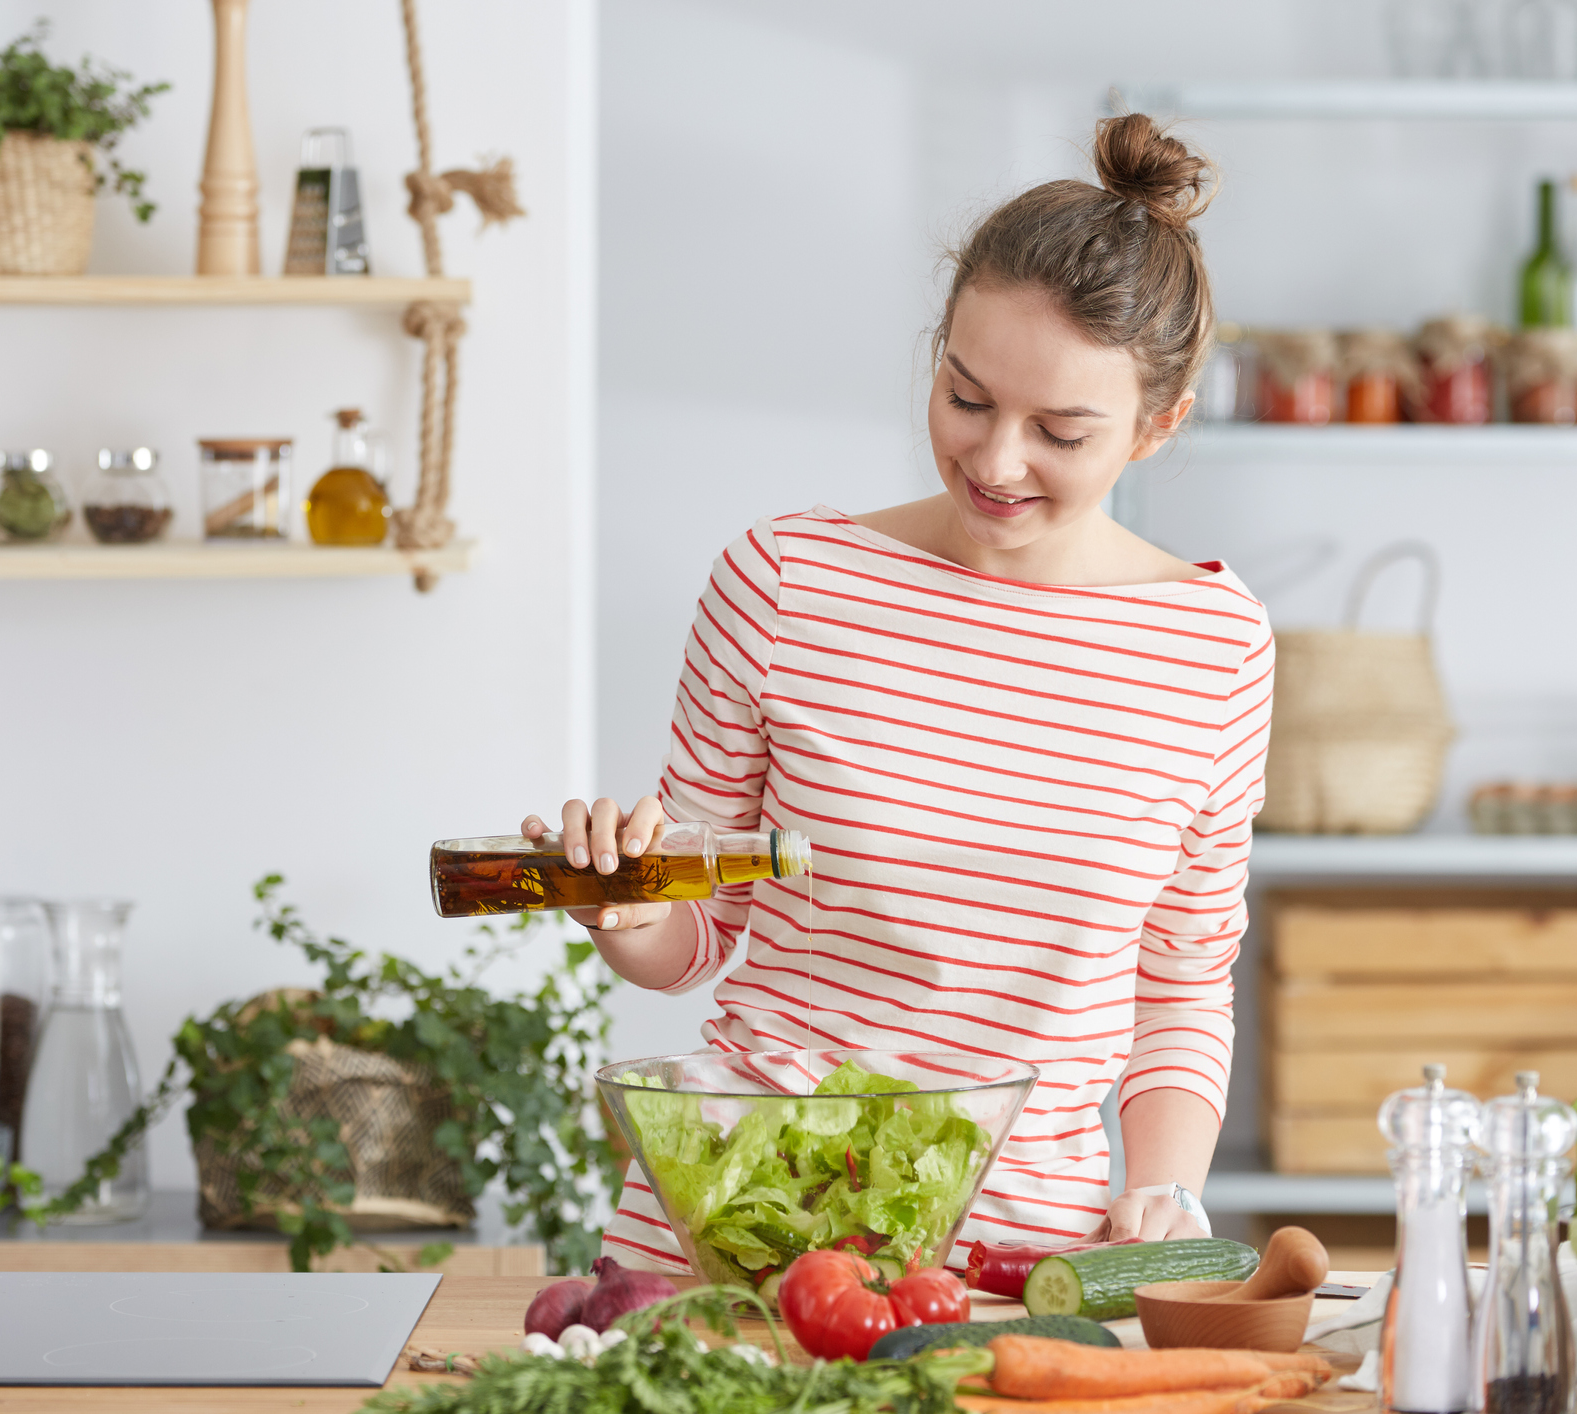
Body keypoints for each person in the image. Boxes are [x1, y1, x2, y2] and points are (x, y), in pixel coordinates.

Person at [532, 113, 1272, 1272]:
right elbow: (700, 934)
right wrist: (622, 908)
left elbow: (1181, 976)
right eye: (967, 398)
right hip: (739, 1221)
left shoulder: (1214, 647)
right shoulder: (784, 583)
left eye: (1062, 431)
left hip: (1015, 1271)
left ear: (1159, 425)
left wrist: (1169, 1187)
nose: (997, 461)